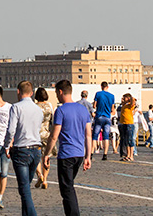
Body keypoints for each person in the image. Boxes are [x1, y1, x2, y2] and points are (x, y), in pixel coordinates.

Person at [45, 80, 92, 216]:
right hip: (79, 154)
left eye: (56, 93)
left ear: (60, 92)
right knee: (69, 187)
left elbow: (54, 136)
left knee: (67, 189)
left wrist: (47, 154)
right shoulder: (83, 109)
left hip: (66, 155)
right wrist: (88, 156)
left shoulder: (60, 110)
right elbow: (88, 135)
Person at [4, 81, 44, 216]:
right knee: (25, 187)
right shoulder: (38, 109)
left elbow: (11, 130)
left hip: (21, 149)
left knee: (24, 188)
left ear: (18, 92)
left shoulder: (16, 107)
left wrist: (7, 145)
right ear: (32, 93)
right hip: (36, 150)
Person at [34, 87, 56, 189]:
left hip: (36, 134)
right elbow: (52, 120)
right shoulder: (49, 106)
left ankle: (39, 175)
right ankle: (45, 180)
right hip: (47, 134)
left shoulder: (34, 107)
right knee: (46, 157)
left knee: (36, 158)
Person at [92, 82, 116, 161]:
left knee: (95, 136)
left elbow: (94, 105)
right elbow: (112, 109)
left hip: (99, 116)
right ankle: (105, 154)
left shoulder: (98, 94)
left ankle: (92, 153)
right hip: (107, 117)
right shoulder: (112, 96)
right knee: (106, 136)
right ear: (107, 87)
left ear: (101, 86)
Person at [117, 93, 137, 162]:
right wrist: (123, 100)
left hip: (129, 124)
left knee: (130, 140)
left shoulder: (130, 105)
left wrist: (130, 98)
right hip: (124, 124)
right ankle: (128, 155)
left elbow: (133, 101)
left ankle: (131, 155)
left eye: (124, 98)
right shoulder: (124, 105)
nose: (123, 99)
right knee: (126, 141)